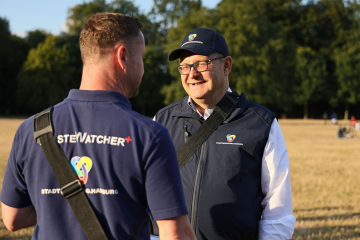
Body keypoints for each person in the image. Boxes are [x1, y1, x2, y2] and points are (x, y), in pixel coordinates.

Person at [1, 13, 196, 240]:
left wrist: (56, 205)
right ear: (123, 56)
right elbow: (175, 234)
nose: (143, 68)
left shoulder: (31, 129)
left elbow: (13, 218)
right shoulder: (148, 135)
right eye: (141, 57)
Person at [153, 28, 296, 239]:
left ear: (226, 65)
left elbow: (278, 210)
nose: (192, 74)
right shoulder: (161, 121)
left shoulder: (261, 123)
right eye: (184, 67)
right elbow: (149, 196)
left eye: (201, 64)